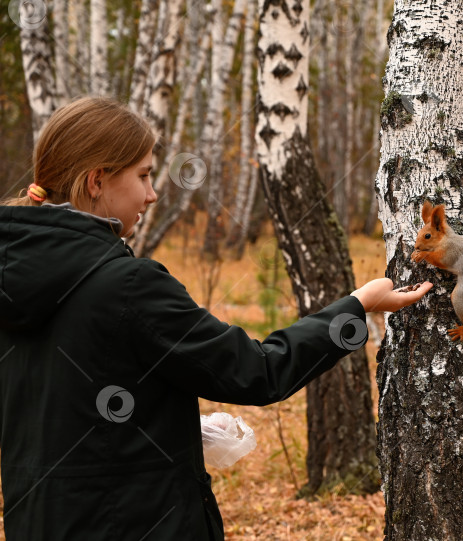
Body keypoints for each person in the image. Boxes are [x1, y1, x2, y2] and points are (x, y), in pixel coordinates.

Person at [0, 97, 432, 540]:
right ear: (96, 181)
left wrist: (173, 428)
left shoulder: (13, 278)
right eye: (144, 175)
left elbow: (58, 411)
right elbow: (259, 371)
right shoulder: (127, 285)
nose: (152, 193)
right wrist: (357, 306)